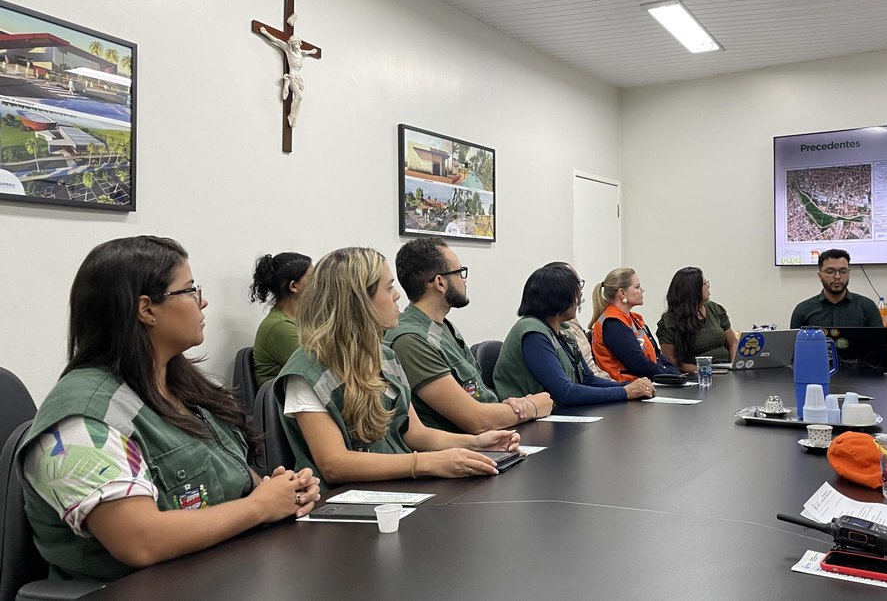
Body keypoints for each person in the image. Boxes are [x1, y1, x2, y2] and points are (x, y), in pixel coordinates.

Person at [19, 236, 320, 582]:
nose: (202, 302)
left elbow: (235, 480)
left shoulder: (182, 388)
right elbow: (140, 540)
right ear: (147, 309)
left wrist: (281, 492)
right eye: (190, 291)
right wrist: (258, 507)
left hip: (224, 572)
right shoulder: (81, 421)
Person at [275, 246, 520, 490]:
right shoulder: (306, 372)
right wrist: (425, 463)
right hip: (345, 503)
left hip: (396, 489)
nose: (397, 296)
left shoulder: (386, 358)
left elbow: (414, 434)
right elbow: (335, 464)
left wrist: (476, 443)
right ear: (359, 301)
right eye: (389, 287)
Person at [386, 238, 553, 432]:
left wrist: (512, 406)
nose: (464, 280)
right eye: (459, 272)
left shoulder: (444, 328)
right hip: (458, 450)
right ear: (440, 282)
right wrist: (532, 406)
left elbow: (479, 399)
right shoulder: (411, 340)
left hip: (490, 439)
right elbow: (476, 419)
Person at [495, 263, 655, 405]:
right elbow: (565, 392)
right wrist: (626, 392)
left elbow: (587, 379)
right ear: (560, 297)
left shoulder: (563, 329)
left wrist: (630, 386)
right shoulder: (533, 333)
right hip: (527, 423)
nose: (579, 298)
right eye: (576, 292)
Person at [589, 267, 679, 381]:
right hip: (626, 387)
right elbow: (637, 363)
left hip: (646, 382)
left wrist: (674, 374)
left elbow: (657, 355)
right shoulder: (612, 323)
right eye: (637, 287)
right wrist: (668, 377)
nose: (642, 290)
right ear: (622, 293)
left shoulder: (635, 319)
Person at [657, 267, 738, 371]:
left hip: (726, 369)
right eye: (705, 284)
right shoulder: (669, 321)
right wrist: (705, 371)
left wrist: (735, 366)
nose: (708, 286)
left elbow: (733, 343)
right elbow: (671, 361)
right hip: (699, 375)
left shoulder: (716, 309)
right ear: (693, 290)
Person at [250, 252, 313, 384]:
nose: (317, 284)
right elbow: (315, 370)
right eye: (312, 278)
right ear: (293, 286)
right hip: (285, 401)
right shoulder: (279, 327)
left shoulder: (298, 321)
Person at [789, 249, 883, 328]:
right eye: (830, 271)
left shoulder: (867, 307)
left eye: (843, 271)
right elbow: (794, 347)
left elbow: (879, 346)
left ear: (849, 273)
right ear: (820, 276)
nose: (837, 276)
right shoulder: (803, 310)